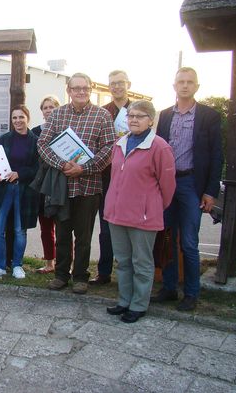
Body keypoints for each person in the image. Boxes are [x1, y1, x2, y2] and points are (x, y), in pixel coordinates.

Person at [151, 67, 223, 311]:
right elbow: (156, 151)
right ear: (174, 86)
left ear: (197, 87)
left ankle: (191, 293)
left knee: (189, 242)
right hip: (167, 183)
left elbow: (216, 156)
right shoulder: (164, 116)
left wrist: (210, 191)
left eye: (190, 82)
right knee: (167, 237)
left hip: (192, 184)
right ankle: (169, 288)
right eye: (180, 81)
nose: (185, 85)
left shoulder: (209, 116)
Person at [37, 73, 115, 294]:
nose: (81, 91)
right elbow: (43, 144)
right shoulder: (58, 115)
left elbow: (109, 148)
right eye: (76, 88)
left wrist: (84, 168)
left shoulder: (102, 116)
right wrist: (62, 165)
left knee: (83, 236)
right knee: (62, 234)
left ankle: (80, 276)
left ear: (90, 90)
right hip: (62, 186)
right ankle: (61, 275)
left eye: (85, 88)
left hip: (89, 187)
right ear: (68, 91)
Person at [104, 100, 176, 323]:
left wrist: (150, 206)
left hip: (143, 217)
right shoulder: (120, 143)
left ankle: (138, 305)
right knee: (123, 261)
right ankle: (124, 300)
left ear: (151, 120)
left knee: (142, 262)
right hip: (116, 214)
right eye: (131, 115)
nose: (134, 119)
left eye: (140, 116)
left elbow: (167, 186)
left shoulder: (160, 147)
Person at [0, 105, 39, 279]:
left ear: (27, 118)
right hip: (3, 189)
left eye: (21, 117)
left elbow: (37, 168)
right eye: (14, 118)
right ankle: (0, 265)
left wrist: (19, 174)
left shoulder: (35, 141)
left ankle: (17, 265)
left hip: (23, 191)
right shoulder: (5, 139)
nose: (17, 121)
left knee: (19, 230)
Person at [91, 70, 132, 286]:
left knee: (130, 227)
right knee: (106, 227)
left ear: (128, 84)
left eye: (120, 83)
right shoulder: (102, 112)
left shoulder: (136, 111)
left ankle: (130, 272)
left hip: (131, 177)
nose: (116, 87)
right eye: (113, 84)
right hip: (106, 176)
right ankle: (104, 272)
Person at [32, 95, 61, 274]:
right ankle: (50, 263)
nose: (49, 110)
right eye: (45, 107)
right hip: (42, 185)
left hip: (60, 184)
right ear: (41, 111)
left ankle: (66, 264)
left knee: (64, 229)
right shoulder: (35, 131)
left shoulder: (65, 130)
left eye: (52, 107)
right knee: (46, 228)